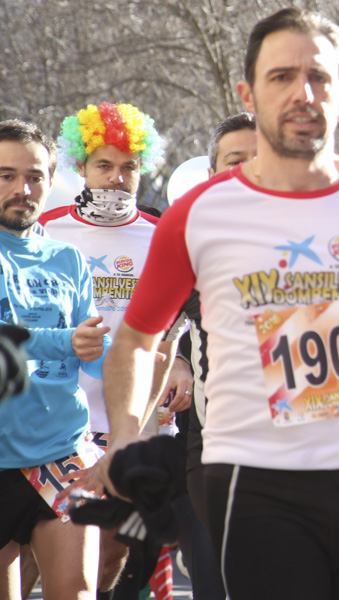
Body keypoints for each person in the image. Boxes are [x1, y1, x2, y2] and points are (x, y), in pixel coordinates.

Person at [68, 8, 339, 600]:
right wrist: (124, 432)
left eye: (319, 77)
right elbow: (138, 338)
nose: (303, 93)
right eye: (282, 77)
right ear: (249, 92)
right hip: (253, 477)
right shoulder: (198, 214)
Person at [41, 101, 186, 600]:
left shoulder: (162, 234)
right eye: (104, 165)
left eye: (129, 167)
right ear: (80, 167)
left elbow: (167, 340)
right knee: (60, 556)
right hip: (56, 422)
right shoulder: (45, 229)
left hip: (130, 418)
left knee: (111, 558)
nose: (117, 178)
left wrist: (145, 419)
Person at [0, 119, 108, 600]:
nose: (23, 189)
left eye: (35, 176)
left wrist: (148, 354)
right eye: (6, 175)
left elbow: (95, 357)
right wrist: (65, 341)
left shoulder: (68, 258)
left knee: (78, 591)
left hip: (61, 451)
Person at [175, 112, 258, 600]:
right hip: (217, 446)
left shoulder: (312, 237)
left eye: (258, 158)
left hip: (303, 446)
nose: (248, 170)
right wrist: (178, 357)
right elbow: (143, 333)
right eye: (234, 161)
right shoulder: (187, 243)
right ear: (212, 175)